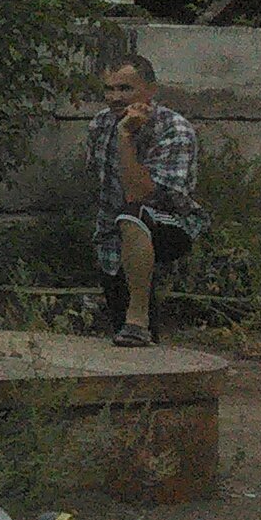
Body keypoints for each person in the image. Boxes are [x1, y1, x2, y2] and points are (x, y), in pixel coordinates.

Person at [88, 53, 204, 348]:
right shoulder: (100, 125)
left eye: (125, 89)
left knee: (134, 213)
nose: (115, 98)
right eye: (109, 89)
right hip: (117, 229)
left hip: (170, 223)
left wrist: (126, 137)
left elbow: (139, 195)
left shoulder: (174, 129)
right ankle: (141, 337)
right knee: (124, 334)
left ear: (149, 91)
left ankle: (138, 319)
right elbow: (105, 192)